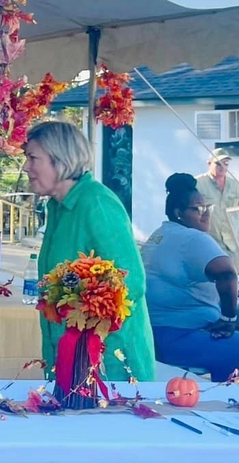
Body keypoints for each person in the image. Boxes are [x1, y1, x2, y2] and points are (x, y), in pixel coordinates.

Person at [24, 121, 155, 381]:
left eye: (33, 158)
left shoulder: (97, 202)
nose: (26, 167)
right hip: (70, 355)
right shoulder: (57, 206)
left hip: (110, 361)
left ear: (60, 160)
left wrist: (81, 312)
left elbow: (132, 282)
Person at [141, 174, 239, 379]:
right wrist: (228, 319)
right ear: (179, 212)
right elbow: (226, 273)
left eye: (208, 208)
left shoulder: (162, 232)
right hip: (178, 333)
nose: (205, 214)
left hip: (155, 329)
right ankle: (228, 398)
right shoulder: (192, 238)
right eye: (198, 209)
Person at [196, 148, 239, 263]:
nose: (222, 167)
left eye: (226, 164)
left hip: (231, 246)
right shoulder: (198, 184)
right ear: (209, 164)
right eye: (218, 164)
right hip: (208, 243)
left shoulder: (235, 185)